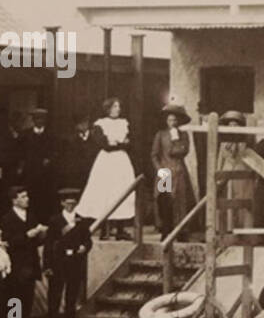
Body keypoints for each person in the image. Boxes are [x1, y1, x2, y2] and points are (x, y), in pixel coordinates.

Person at [78, 98, 137, 240]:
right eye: (115, 106)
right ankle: (104, 229)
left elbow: (130, 143)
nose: (118, 108)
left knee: (122, 191)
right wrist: (119, 143)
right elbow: (104, 145)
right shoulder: (100, 124)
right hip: (106, 162)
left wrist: (119, 144)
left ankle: (120, 229)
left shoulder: (124, 123)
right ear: (108, 108)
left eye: (119, 106)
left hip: (121, 161)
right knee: (104, 193)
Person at [0, 186, 47, 318]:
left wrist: (40, 234)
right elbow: (9, 242)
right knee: (14, 301)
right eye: (23, 196)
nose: (27, 199)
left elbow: (36, 242)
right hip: (16, 267)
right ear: (14, 200)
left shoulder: (31, 217)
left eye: (27, 196)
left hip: (30, 265)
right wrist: (28, 234)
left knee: (27, 301)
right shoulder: (7, 219)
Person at [44, 188, 92, 318]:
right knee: (54, 298)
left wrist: (85, 247)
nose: (70, 205)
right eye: (67, 202)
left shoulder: (81, 220)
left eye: (73, 202)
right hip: (58, 262)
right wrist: (47, 265)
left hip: (75, 263)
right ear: (62, 203)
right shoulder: (55, 221)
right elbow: (49, 244)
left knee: (71, 300)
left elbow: (88, 239)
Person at [151, 103, 196, 239]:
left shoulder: (183, 136)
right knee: (164, 201)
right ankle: (165, 230)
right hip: (165, 171)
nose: (172, 123)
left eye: (175, 120)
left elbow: (182, 151)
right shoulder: (161, 134)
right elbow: (154, 154)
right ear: (166, 121)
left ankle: (181, 231)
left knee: (180, 202)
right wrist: (160, 169)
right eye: (170, 120)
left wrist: (176, 140)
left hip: (179, 170)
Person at [216, 111, 254, 232]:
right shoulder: (223, 144)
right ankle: (228, 228)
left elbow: (250, 158)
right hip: (226, 174)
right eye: (230, 125)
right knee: (228, 200)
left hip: (241, 173)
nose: (232, 127)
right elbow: (220, 159)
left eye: (235, 125)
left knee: (242, 200)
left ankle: (242, 229)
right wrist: (218, 175)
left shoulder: (245, 142)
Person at [19, 107, 57, 224]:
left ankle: (44, 222)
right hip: (30, 173)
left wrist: (50, 159)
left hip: (46, 175)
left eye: (42, 119)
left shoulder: (51, 135)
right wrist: (21, 167)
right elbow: (20, 152)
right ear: (33, 120)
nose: (39, 121)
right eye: (37, 119)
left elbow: (56, 152)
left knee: (45, 199)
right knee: (31, 198)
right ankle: (31, 222)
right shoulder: (25, 135)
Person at [64, 114, 95, 191]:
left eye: (85, 122)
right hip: (79, 175)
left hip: (93, 171)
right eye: (79, 123)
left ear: (88, 123)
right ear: (76, 126)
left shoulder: (95, 139)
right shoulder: (72, 141)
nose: (83, 125)